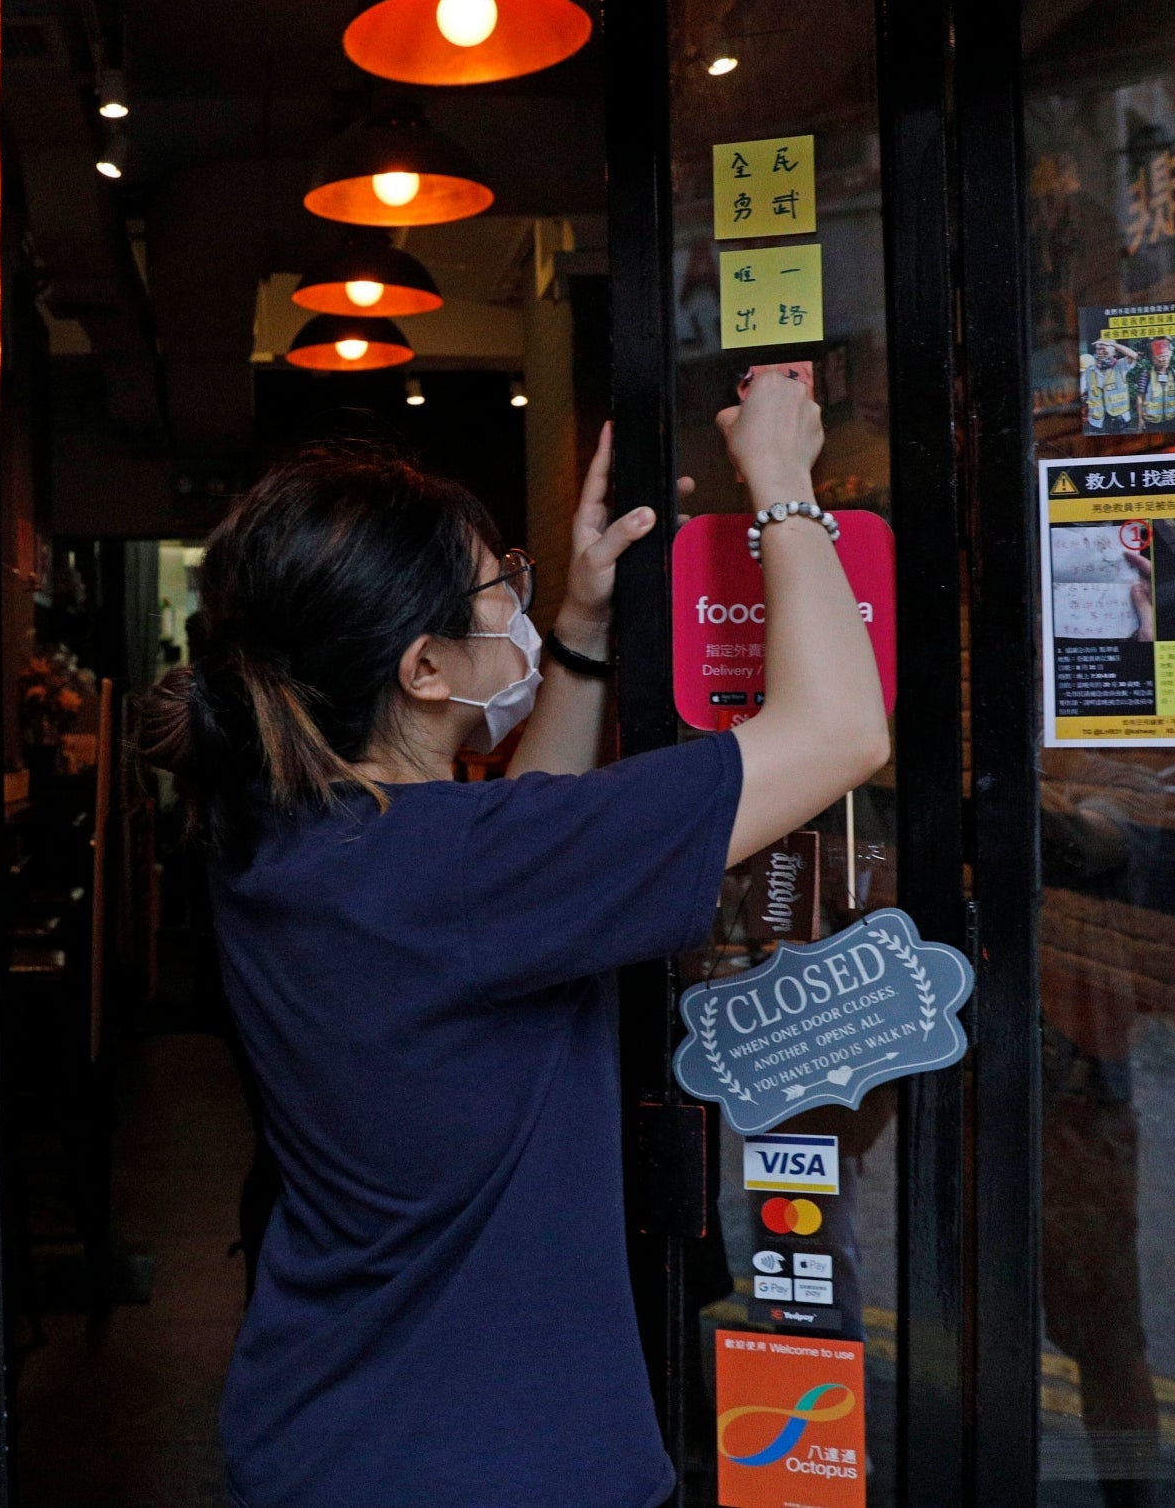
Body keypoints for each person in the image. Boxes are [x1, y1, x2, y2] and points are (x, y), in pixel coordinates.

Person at [137, 380, 890, 1508]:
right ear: (425, 669)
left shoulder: (281, 831)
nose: (519, 605)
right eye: (503, 586)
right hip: (497, 1462)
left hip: (320, 1435)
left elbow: (506, 890)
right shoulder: (463, 865)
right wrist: (783, 486)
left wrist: (577, 637)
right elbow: (839, 730)